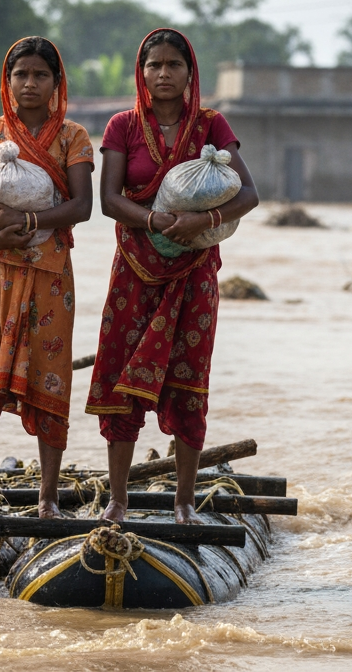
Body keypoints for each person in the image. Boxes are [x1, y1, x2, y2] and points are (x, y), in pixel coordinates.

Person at [86, 28, 259, 525]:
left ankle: (184, 500)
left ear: (190, 73)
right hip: (134, 269)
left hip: (195, 273)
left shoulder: (211, 125)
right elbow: (109, 200)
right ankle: (118, 499)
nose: (163, 74)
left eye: (173, 65)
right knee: (120, 376)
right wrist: (154, 220)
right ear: (140, 73)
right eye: (153, 66)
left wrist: (203, 222)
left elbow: (248, 193)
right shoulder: (122, 125)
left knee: (188, 377)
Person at [0, 37, 94, 519]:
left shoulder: (72, 136)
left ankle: (48, 498)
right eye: (20, 75)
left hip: (49, 275)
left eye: (40, 75)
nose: (29, 84)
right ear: (7, 82)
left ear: (56, 82)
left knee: (49, 380)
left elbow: (81, 206)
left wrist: (30, 224)